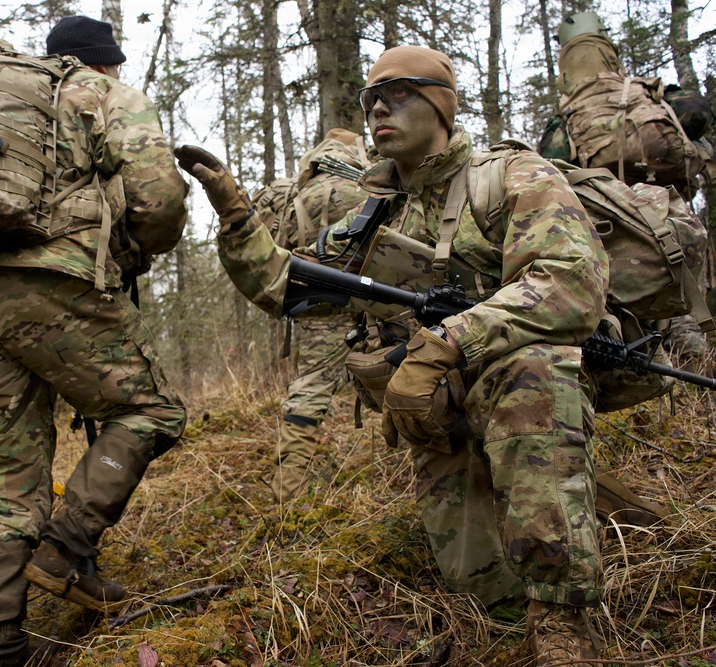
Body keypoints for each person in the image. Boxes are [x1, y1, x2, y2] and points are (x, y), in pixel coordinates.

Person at [176, 45, 607, 665]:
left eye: (400, 92)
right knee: (479, 584)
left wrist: (447, 344)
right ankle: (560, 518)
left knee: (532, 379)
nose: (379, 105)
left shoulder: (511, 176)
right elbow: (286, 289)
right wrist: (236, 216)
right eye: (371, 97)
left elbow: (572, 283)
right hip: (439, 409)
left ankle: (564, 619)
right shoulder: (370, 215)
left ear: (441, 106)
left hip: (525, 375)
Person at [0, 16, 188, 667]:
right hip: (48, 282)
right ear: (101, 63)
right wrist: (131, 246)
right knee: (150, 409)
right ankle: (65, 547)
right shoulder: (94, 93)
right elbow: (160, 202)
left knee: (9, 465)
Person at [251, 128, 373, 502]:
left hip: (312, 297)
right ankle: (288, 490)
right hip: (368, 294)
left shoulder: (296, 192)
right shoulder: (365, 185)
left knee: (312, 383)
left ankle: (288, 483)